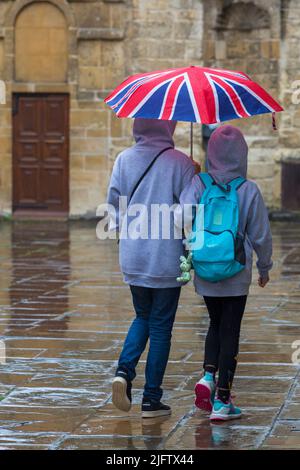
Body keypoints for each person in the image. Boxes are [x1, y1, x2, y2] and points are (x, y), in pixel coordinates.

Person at [179, 125, 273, 421]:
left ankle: (208, 376)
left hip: (205, 270)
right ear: (242, 155)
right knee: (230, 329)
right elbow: (261, 236)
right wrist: (264, 267)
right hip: (236, 272)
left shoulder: (199, 183)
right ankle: (222, 401)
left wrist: (192, 177)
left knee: (215, 323)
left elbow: (181, 219)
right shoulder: (249, 190)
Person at [106, 118, 197, 418]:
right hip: (165, 258)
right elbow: (187, 215)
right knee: (160, 326)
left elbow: (114, 211)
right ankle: (151, 399)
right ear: (167, 127)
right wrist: (194, 180)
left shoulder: (123, 159)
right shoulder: (180, 162)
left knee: (142, 315)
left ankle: (124, 371)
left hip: (133, 255)